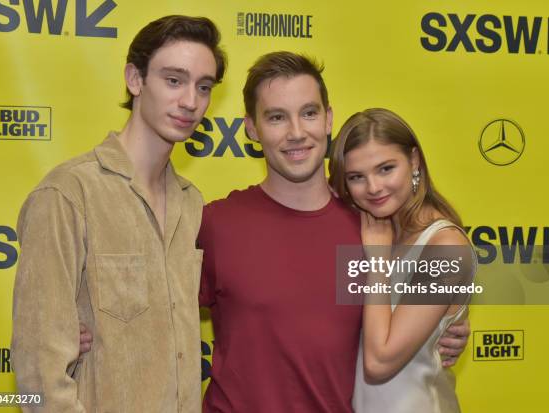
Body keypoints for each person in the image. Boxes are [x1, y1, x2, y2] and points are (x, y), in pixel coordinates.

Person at [198, 52, 470, 412]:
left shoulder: (373, 223)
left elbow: (422, 300)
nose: (296, 133)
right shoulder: (216, 223)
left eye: (308, 113)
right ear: (251, 129)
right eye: (277, 117)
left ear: (328, 119)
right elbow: (154, 314)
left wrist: (447, 326)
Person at [11, 15, 226, 412]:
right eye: (174, 80)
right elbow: (39, 373)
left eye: (204, 87)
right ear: (135, 79)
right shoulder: (68, 194)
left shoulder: (192, 203)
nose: (191, 102)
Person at [328, 108, 474, 412]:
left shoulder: (445, 245)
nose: (373, 187)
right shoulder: (370, 230)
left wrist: (378, 261)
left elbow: (380, 362)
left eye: (385, 168)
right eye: (356, 176)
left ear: (414, 160)